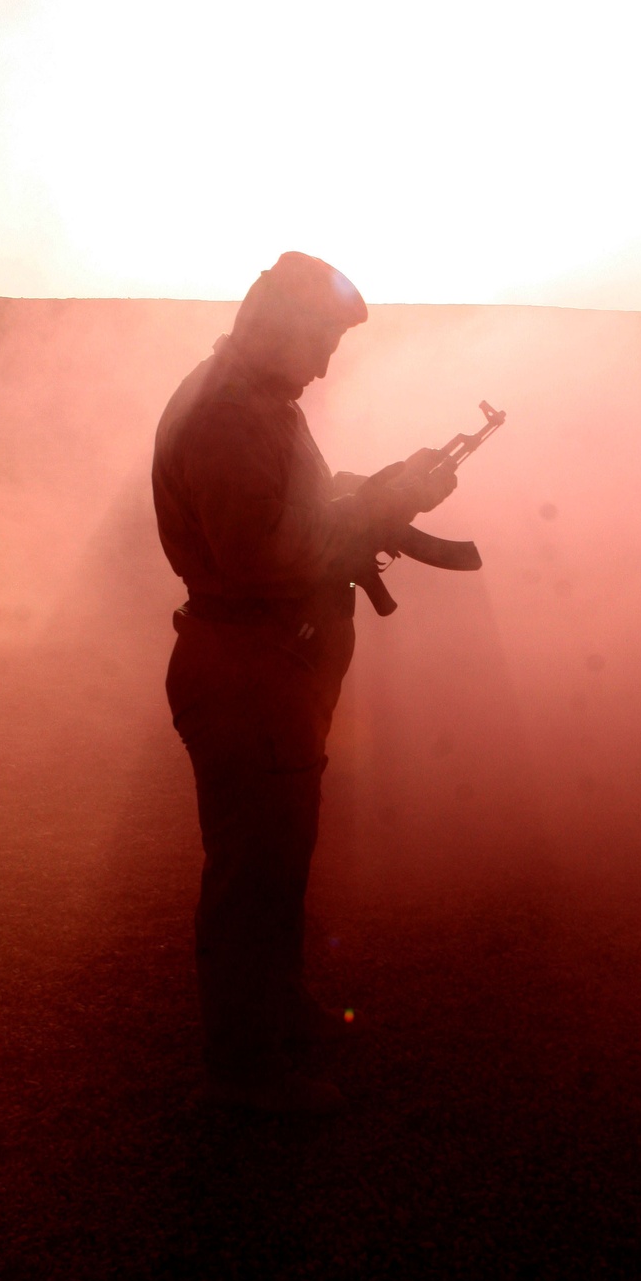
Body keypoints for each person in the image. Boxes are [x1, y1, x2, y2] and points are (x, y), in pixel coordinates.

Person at [152, 252, 457, 1113]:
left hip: (272, 668)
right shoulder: (226, 417)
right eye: (321, 339)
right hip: (249, 670)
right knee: (253, 873)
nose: (327, 364)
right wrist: (376, 510)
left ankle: (275, 1009)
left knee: (279, 863)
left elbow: (298, 514)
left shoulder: (256, 403)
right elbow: (261, 558)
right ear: (276, 326)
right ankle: (245, 1069)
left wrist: (387, 489)